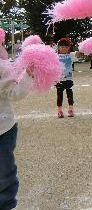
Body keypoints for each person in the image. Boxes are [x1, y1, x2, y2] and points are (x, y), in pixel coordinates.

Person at [0, 50, 33, 210]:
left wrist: (28, 74)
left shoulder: (2, 66)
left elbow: (13, 93)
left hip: (2, 130)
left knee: (4, 176)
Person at [55, 38, 74, 118]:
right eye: (62, 46)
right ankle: (59, 111)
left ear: (69, 48)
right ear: (58, 47)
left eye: (66, 47)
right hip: (59, 80)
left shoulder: (71, 55)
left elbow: (80, 52)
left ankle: (71, 109)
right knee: (60, 96)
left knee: (70, 95)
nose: (64, 48)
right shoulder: (55, 56)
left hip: (69, 79)